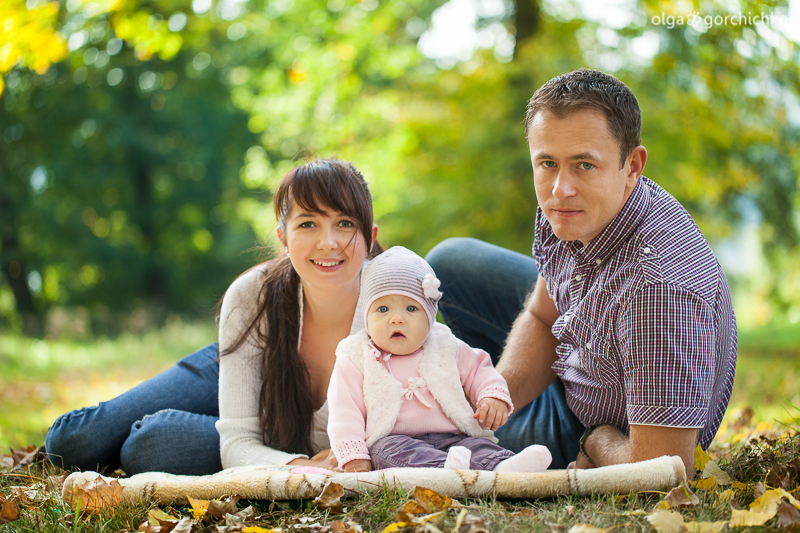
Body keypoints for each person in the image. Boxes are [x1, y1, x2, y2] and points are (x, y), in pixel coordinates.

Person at [425, 68, 737, 475]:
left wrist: (597, 439)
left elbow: (664, 469)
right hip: (582, 354)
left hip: (610, 430)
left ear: (632, 166)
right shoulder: (574, 208)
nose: (560, 189)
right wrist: (491, 398)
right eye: (547, 163)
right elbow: (542, 315)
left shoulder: (658, 291)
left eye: (584, 165)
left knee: (429, 440)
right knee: (448, 263)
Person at [45, 158, 383, 475]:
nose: (328, 242)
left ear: (371, 236)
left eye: (345, 223)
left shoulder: (396, 307)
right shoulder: (253, 295)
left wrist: (287, 461)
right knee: (72, 443)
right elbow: (238, 442)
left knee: (148, 445)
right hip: (241, 360)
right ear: (283, 236)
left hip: (272, 435)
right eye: (308, 223)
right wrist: (306, 468)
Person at [327, 246, 552, 472]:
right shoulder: (356, 356)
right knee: (386, 452)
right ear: (367, 317)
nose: (396, 319)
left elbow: (479, 369)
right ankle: (445, 470)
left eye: (411, 308)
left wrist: (492, 395)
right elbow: (345, 412)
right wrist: (354, 455)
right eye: (383, 309)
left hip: (454, 438)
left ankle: (502, 466)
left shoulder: (444, 344)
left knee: (478, 446)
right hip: (395, 440)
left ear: (430, 317)